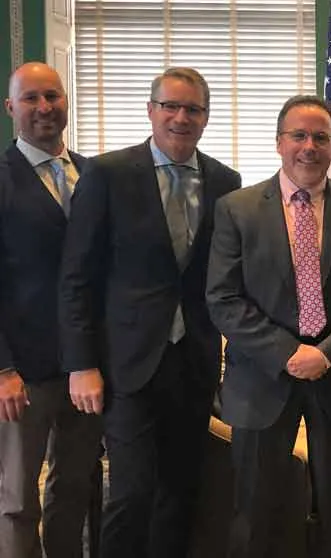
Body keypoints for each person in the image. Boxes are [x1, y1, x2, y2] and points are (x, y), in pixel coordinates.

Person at [58, 67, 241, 557]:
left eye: (193, 109)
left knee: (181, 492)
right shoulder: (107, 174)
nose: (181, 117)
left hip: (194, 363)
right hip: (126, 365)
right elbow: (76, 278)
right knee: (132, 491)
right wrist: (81, 364)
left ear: (206, 117)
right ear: (151, 110)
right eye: (170, 106)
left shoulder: (226, 182)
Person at [206, 95, 331, 558]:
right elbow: (223, 298)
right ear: (279, 143)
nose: (309, 147)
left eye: (321, 137)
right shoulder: (237, 209)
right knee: (254, 508)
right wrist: (286, 353)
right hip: (262, 380)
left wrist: (326, 352)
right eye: (299, 136)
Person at [0, 61, 103, 558]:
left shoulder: (94, 174)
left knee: (75, 486)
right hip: (23, 370)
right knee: (18, 498)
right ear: (11, 108)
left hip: (88, 365)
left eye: (53, 97)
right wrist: (2, 369)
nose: (44, 108)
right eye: (32, 98)